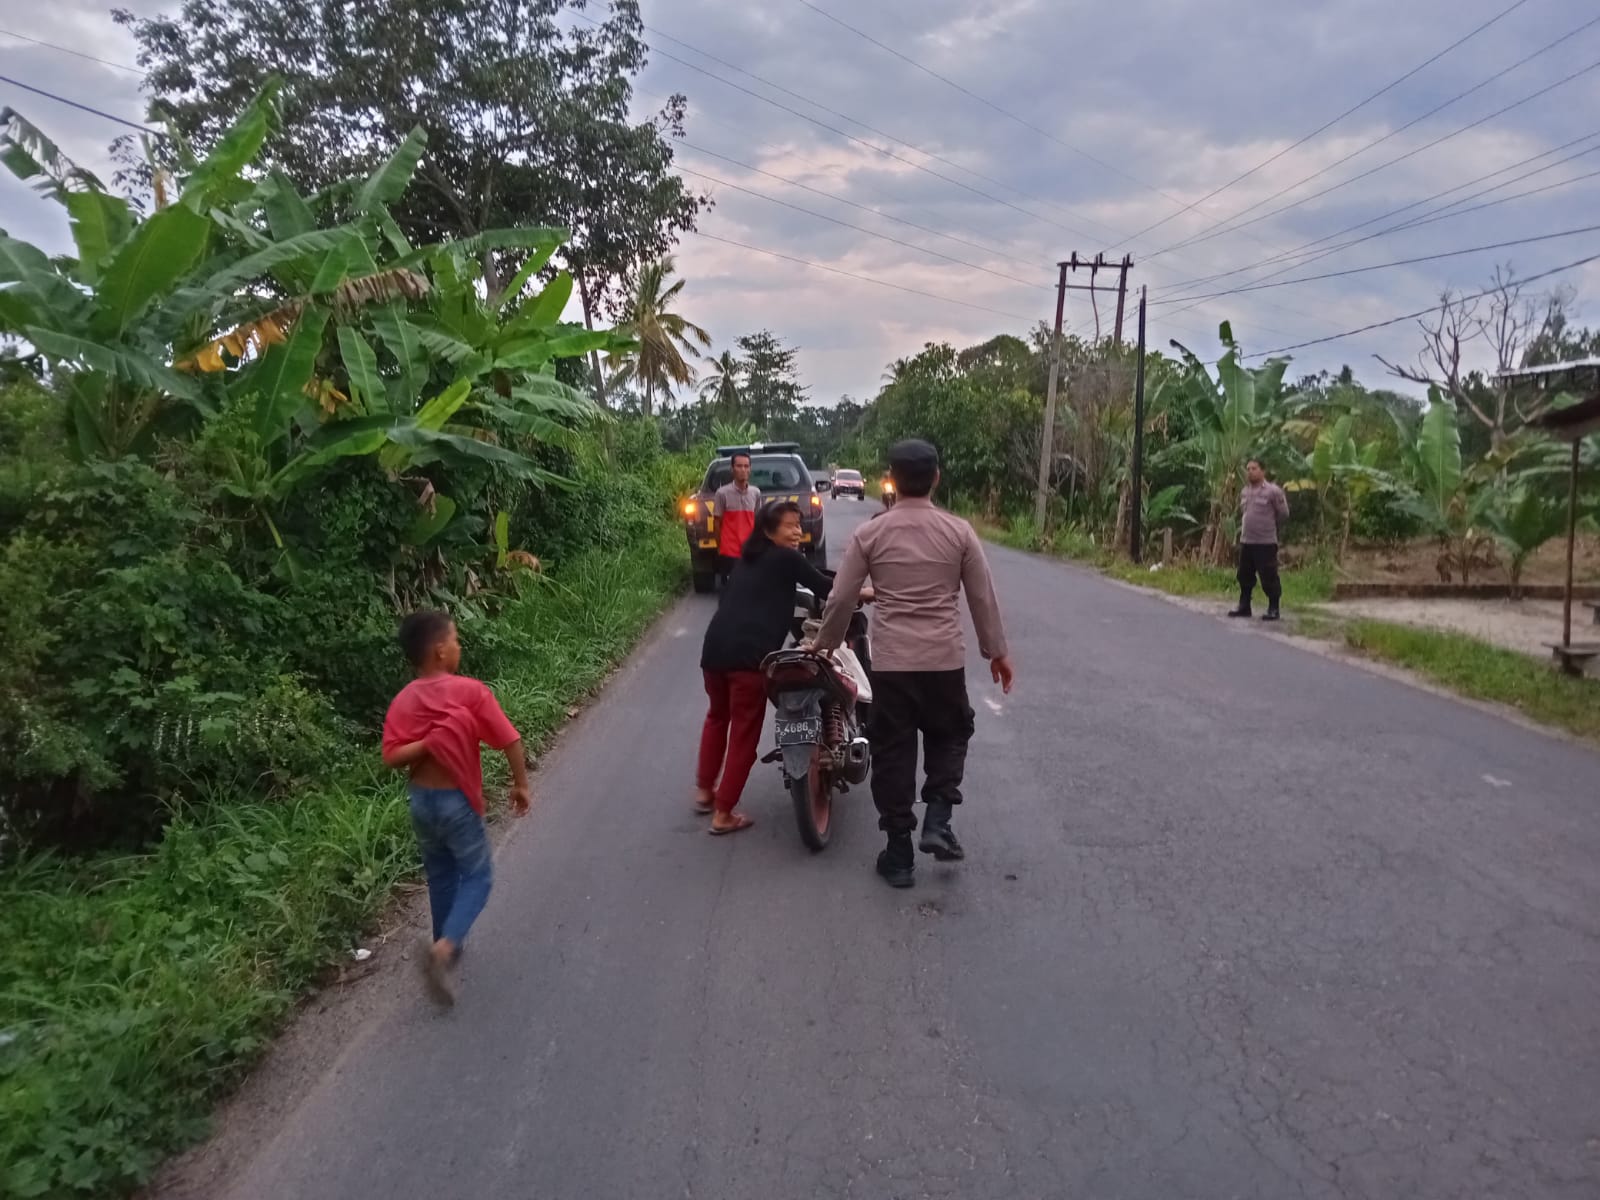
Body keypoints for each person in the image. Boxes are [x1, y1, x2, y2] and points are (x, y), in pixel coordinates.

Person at [811, 439, 1013, 889]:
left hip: (893, 664)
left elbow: (842, 597)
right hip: (944, 660)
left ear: (892, 480)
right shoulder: (959, 532)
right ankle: (938, 817)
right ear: (936, 477)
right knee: (950, 733)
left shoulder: (871, 533)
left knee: (893, 751)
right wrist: (996, 652)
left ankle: (899, 852)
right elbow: (982, 597)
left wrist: (825, 643)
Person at [382, 610, 530, 1007]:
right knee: (478, 876)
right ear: (440, 651)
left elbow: (392, 756)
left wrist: (426, 744)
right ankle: (445, 948)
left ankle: (444, 945)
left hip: (421, 801)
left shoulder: (404, 700)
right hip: (456, 802)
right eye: (457, 640)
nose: (460, 646)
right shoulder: (469, 692)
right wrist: (520, 783)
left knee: (441, 873)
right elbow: (510, 740)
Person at [694, 501, 869, 834]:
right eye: (789, 525)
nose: (796, 532)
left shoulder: (746, 562)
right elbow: (827, 589)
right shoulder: (787, 558)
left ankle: (705, 791)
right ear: (767, 530)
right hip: (748, 660)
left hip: (714, 652)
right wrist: (867, 593)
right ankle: (723, 813)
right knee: (744, 736)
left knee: (717, 717)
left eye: (798, 525)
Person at [1229, 458, 1290, 622]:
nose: (1250, 471)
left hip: (1265, 542)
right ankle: (1244, 606)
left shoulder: (1273, 491)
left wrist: (1268, 526)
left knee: (1269, 576)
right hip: (1247, 541)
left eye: (1254, 468)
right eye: (1248, 469)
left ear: (1263, 471)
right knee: (1244, 575)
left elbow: (1283, 514)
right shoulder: (1245, 491)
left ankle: (1274, 608)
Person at [712, 451, 762, 583]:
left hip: (750, 551)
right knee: (730, 590)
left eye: (746, 466)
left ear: (750, 469)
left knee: (751, 588)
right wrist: (720, 546)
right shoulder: (722, 493)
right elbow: (717, 523)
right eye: (739, 466)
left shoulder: (755, 493)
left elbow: (757, 521)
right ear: (732, 469)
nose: (743, 470)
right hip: (729, 551)